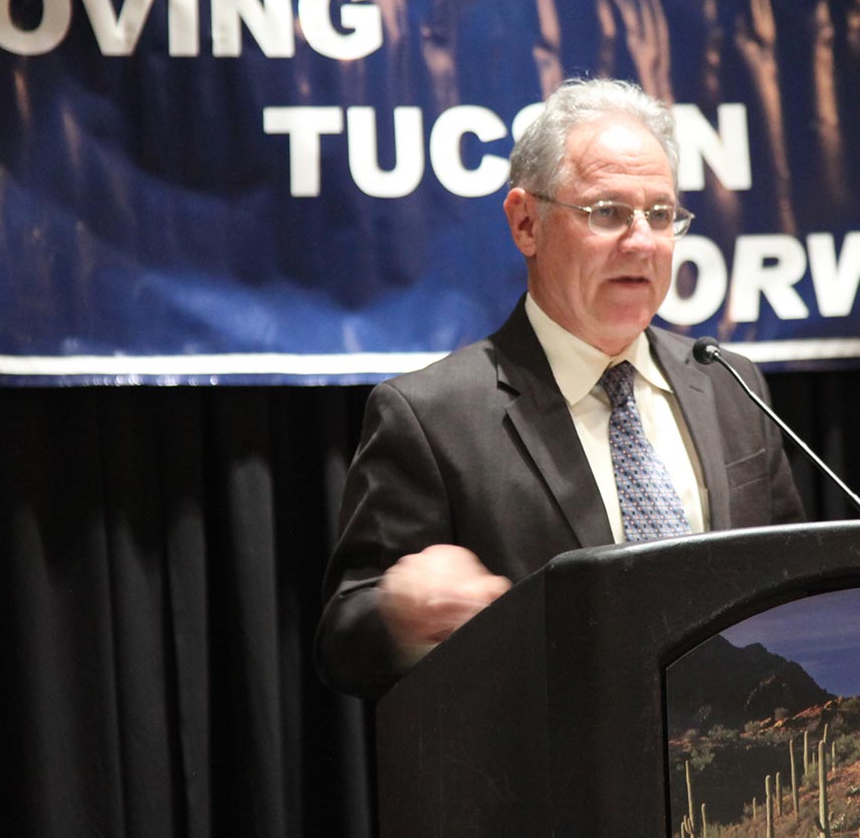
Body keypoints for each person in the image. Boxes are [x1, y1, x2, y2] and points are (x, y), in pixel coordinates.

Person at [315, 78, 804, 699]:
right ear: (526, 223)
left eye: (660, 214)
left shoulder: (730, 384)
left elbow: (794, 587)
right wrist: (398, 613)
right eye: (608, 212)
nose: (642, 241)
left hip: (741, 773)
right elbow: (343, 642)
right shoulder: (432, 417)